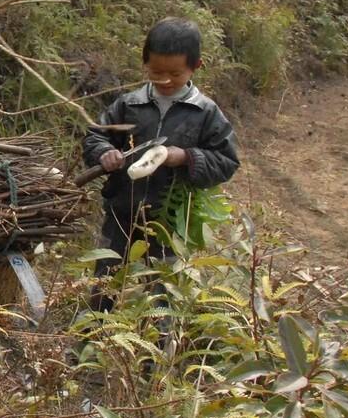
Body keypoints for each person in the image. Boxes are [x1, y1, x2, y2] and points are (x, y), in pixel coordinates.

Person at [82, 17, 241, 290]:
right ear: (145, 64)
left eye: (175, 74)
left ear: (196, 67)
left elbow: (226, 161)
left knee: (161, 292)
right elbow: (96, 135)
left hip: (170, 221)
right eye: (156, 72)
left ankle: (161, 332)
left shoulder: (205, 113)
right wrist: (105, 152)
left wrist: (186, 157)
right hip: (122, 212)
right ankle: (96, 329)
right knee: (105, 283)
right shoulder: (129, 104)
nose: (165, 80)